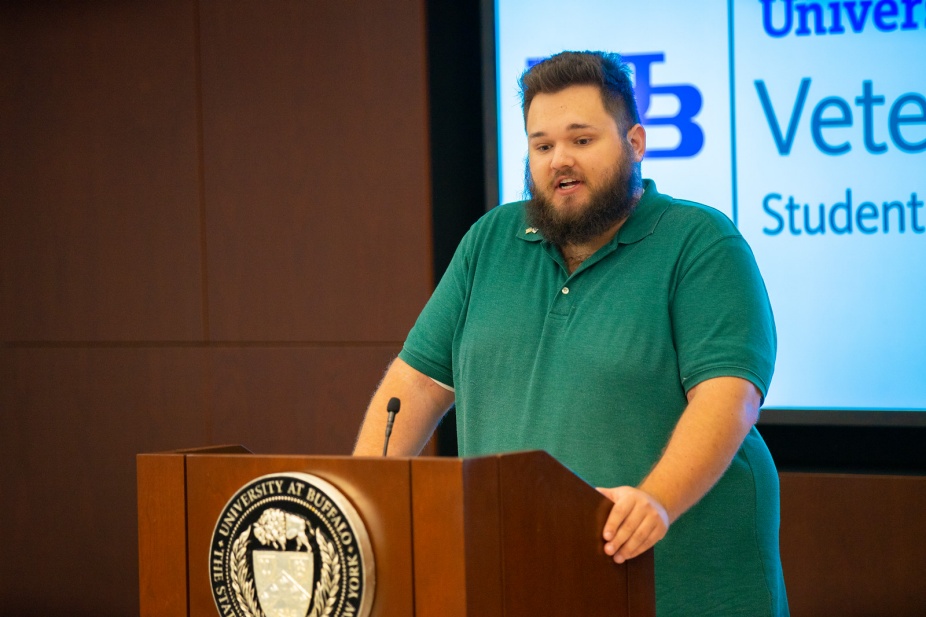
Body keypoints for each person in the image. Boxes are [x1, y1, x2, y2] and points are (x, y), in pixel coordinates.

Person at [353, 50, 788, 616]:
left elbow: (729, 397)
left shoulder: (700, 241)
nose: (560, 160)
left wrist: (655, 501)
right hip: (528, 576)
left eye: (581, 140)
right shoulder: (491, 240)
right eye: (542, 145)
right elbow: (415, 386)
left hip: (681, 587)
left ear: (634, 143)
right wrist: (357, 504)